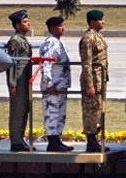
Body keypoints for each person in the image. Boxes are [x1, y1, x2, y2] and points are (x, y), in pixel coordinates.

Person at [39, 16, 73, 152]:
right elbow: (45, 64)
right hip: (53, 86)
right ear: (52, 28)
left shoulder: (59, 42)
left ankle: (57, 139)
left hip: (61, 85)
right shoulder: (49, 43)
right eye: (60, 26)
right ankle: (52, 141)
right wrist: (49, 84)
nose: (63, 28)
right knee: (52, 112)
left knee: (60, 113)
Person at [79, 9, 110, 153]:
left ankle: (95, 140)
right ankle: (91, 141)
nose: (103, 22)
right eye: (100, 19)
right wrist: (89, 84)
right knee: (90, 110)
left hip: (100, 79)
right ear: (92, 22)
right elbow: (87, 63)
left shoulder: (98, 36)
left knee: (97, 110)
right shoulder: (88, 38)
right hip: (92, 81)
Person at [6, 9, 33, 152]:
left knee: (24, 110)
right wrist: (12, 84)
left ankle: (20, 139)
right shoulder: (15, 41)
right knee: (17, 111)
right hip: (18, 81)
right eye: (24, 22)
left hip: (25, 79)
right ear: (17, 25)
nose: (28, 23)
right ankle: (16, 141)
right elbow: (11, 63)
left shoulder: (22, 39)